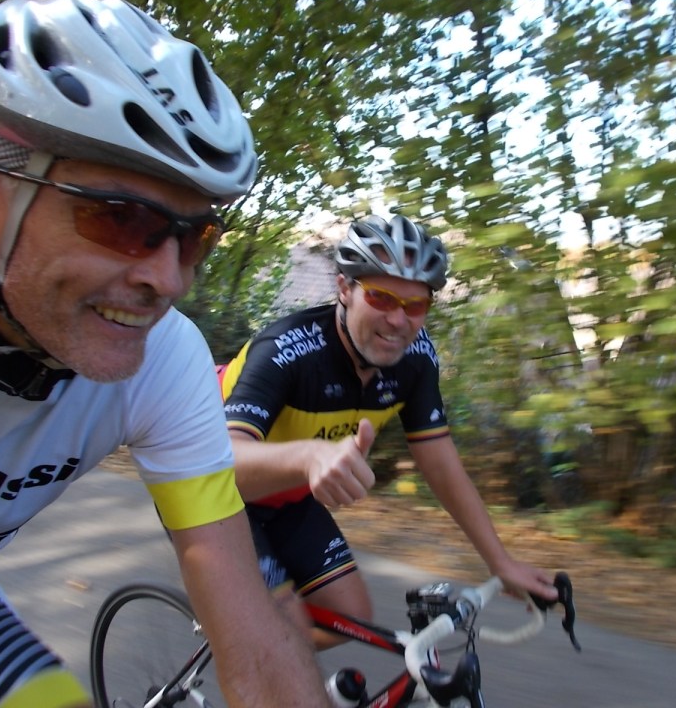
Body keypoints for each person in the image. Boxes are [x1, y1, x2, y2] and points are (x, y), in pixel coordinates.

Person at [0, 0, 329, 708]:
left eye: (194, 238)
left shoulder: (165, 360)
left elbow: (252, 639)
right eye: (121, 219)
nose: (168, 279)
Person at [220, 214, 560, 649]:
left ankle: (248, 649)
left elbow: (441, 464)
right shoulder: (285, 349)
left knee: (351, 619)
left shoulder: (416, 358)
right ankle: (245, 648)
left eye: (415, 305)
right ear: (344, 289)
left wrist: (500, 562)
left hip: (286, 497)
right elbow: (220, 461)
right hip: (215, 490)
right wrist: (309, 456)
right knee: (278, 638)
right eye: (381, 298)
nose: (398, 320)